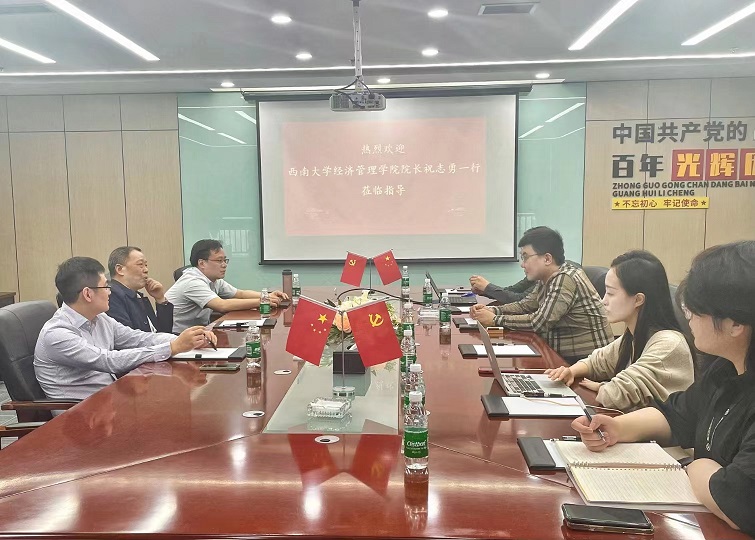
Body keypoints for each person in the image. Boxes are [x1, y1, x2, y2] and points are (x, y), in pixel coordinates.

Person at [571, 241, 755, 536]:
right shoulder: (724, 370)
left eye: (695, 309)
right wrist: (617, 428)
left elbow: (739, 501)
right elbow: (677, 414)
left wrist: (699, 466)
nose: (688, 316)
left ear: (736, 323)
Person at [35, 257, 216, 401]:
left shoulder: (100, 319)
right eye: (106, 286)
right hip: (78, 415)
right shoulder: (58, 333)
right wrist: (172, 347)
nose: (110, 291)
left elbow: (138, 338)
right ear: (88, 294)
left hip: (108, 400)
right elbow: (108, 360)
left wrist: (187, 339)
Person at [545, 250, 694, 411]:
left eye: (610, 293)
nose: (603, 301)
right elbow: (599, 361)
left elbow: (615, 394)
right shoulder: (634, 335)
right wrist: (571, 371)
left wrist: (602, 386)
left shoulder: (668, 344)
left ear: (638, 299)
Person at [470, 226, 612, 364]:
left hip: (588, 363)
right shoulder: (547, 278)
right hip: (563, 357)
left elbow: (540, 322)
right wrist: (493, 310)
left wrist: (495, 320)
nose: (523, 264)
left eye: (526, 257)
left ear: (547, 259)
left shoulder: (565, 278)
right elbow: (525, 305)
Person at [166, 239, 289, 332]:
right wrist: (262, 301)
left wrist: (267, 295)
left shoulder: (213, 279)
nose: (224, 265)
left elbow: (240, 294)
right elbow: (222, 305)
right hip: (176, 336)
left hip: (198, 332)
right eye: (219, 261)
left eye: (225, 260)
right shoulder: (192, 282)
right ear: (202, 263)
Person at [106, 246, 173, 333]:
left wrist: (160, 299)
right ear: (120, 269)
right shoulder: (112, 295)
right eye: (140, 265)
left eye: (146, 265)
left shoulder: (138, 296)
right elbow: (128, 337)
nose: (146, 270)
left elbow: (164, 331)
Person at [469, 274, 535, 305]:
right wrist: (484, 291)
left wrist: (487, 287)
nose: (522, 265)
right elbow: (511, 290)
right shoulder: (532, 276)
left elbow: (520, 300)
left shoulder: (539, 282)